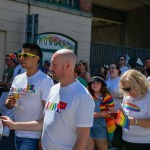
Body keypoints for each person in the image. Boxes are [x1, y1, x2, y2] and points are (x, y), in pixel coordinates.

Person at [2, 49, 95, 150]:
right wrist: (14, 125)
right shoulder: (53, 89)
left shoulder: (83, 96)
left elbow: (82, 138)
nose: (50, 68)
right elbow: (44, 122)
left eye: (54, 64)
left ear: (67, 65)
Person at [4, 43, 54, 150]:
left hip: (33, 136)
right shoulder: (18, 79)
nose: (21, 58)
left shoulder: (45, 81)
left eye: (25, 55)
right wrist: (10, 102)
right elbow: (9, 103)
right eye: (20, 56)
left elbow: (49, 113)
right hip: (17, 133)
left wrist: (43, 138)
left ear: (36, 59)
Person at [119, 69, 150, 150]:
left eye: (128, 89)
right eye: (124, 89)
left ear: (138, 84)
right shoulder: (127, 95)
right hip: (127, 140)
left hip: (145, 143)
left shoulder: (148, 96)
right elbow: (126, 113)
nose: (127, 92)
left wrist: (135, 121)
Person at [86, 76, 116, 150]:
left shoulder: (107, 97)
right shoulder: (86, 96)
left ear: (102, 85)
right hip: (87, 127)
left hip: (101, 128)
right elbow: (83, 113)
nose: (95, 85)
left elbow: (113, 113)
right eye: (93, 83)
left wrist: (106, 115)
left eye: (98, 83)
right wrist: (99, 114)